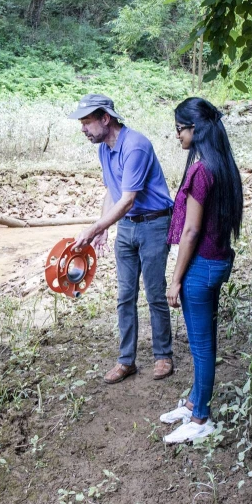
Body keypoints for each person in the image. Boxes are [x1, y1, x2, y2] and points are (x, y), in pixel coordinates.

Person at [70, 94, 176, 384]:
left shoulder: (136, 146)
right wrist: (104, 227)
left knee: (155, 293)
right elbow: (113, 191)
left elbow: (128, 199)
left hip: (154, 224)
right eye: (82, 123)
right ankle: (126, 360)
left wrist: (92, 229)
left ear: (105, 118)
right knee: (124, 296)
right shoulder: (104, 148)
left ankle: (163, 355)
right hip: (126, 227)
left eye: (87, 122)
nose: (83, 129)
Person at [158, 97, 243, 444]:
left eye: (180, 127)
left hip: (201, 267)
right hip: (218, 261)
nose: (177, 134)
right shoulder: (223, 165)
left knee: (201, 346)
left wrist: (175, 280)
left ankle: (201, 417)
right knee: (203, 340)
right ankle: (194, 399)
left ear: (195, 129)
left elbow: (191, 231)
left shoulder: (200, 170)